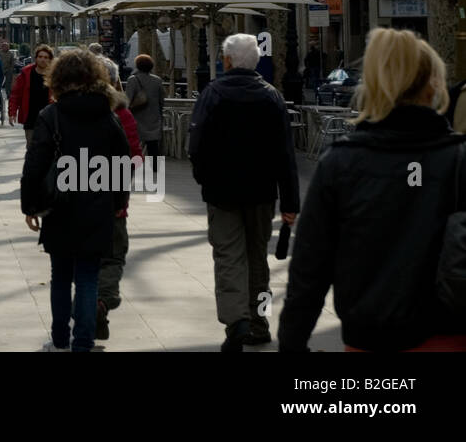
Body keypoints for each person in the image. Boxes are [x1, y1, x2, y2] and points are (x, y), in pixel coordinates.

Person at [278, 28, 466, 352]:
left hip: (368, 339)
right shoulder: (458, 160)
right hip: (448, 337)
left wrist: (292, 343)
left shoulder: (339, 164)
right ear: (432, 84)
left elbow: (309, 271)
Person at [188, 33, 300, 352]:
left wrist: (204, 180)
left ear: (226, 60)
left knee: (228, 256)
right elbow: (285, 155)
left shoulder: (212, 94)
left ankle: (236, 319)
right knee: (258, 260)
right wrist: (291, 202)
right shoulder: (272, 96)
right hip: (262, 193)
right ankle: (259, 321)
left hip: (222, 192)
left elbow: (195, 145)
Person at [20, 49, 130, 352]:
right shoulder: (108, 117)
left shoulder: (50, 116)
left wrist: (30, 206)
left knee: (60, 275)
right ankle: (83, 342)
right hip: (98, 206)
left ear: (57, 79)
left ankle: (59, 339)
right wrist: (119, 201)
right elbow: (122, 163)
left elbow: (35, 165)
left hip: (60, 207)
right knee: (87, 276)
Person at [97, 75, 144, 341]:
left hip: (78, 203)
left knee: (83, 260)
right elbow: (134, 159)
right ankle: (102, 301)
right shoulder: (122, 113)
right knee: (113, 256)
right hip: (114, 203)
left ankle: (86, 309)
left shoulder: (63, 110)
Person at [10, 44, 54, 149]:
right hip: (31, 117)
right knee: (31, 148)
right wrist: (12, 112)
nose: (43, 60)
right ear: (36, 58)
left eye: (46, 57)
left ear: (50, 59)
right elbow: (16, 94)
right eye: (40, 57)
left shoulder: (54, 74)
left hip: (49, 119)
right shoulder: (26, 73)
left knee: (48, 149)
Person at [124, 53, 166, 160]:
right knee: (153, 144)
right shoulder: (157, 80)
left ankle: (136, 163)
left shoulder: (132, 80)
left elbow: (127, 99)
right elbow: (162, 99)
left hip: (137, 116)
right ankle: (155, 166)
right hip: (153, 116)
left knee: (135, 143)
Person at [0, 40, 17, 124]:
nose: (5, 47)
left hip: (8, 71)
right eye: (3, 46)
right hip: (0, 70)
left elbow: (13, 63)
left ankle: (8, 94)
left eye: (6, 46)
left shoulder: (11, 54)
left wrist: (11, 70)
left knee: (8, 84)